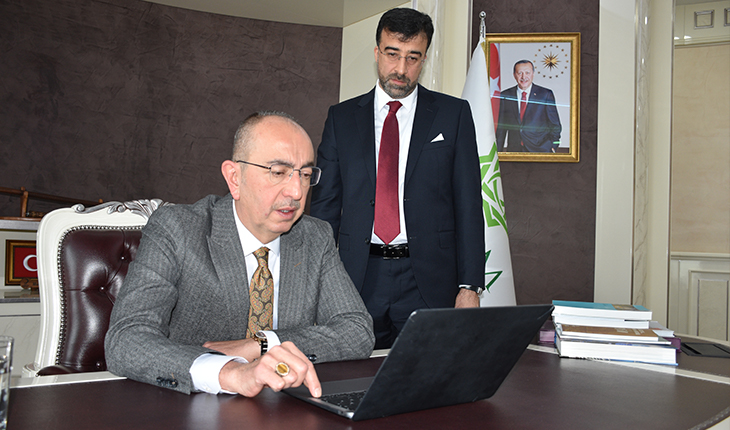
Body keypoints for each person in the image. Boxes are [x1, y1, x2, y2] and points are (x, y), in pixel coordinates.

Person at [105, 112, 375, 397]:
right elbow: (126, 339)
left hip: (284, 407)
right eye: (278, 172)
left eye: (305, 175)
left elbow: (357, 330)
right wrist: (231, 373)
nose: (297, 191)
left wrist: (264, 344)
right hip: (190, 405)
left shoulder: (315, 237)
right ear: (235, 178)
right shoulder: (178, 229)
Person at [310, 8, 485, 349]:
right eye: (392, 54)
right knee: (354, 372)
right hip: (357, 278)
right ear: (377, 53)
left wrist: (469, 286)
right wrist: (315, 283)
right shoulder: (341, 119)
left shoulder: (453, 115)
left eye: (413, 58)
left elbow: (468, 204)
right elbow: (325, 208)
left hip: (430, 280)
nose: (401, 69)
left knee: (430, 373)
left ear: (424, 59)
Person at [495, 60, 562, 152]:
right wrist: (498, 152)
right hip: (514, 151)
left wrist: (553, 146)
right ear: (514, 75)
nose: (524, 77)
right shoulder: (505, 95)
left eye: (527, 73)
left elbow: (555, 125)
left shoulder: (545, 94)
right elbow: (501, 128)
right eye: (520, 73)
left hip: (540, 150)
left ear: (533, 74)